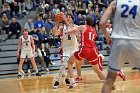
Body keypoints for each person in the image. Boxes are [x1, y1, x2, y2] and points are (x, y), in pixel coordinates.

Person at [100, 0, 140, 93]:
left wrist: (107, 36)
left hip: (118, 41)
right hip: (136, 40)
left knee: (109, 79)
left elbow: (102, 23)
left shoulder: (115, 3)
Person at [66, 16, 106, 88]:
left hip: (85, 49)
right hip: (93, 50)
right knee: (97, 70)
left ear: (86, 22)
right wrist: (78, 28)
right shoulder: (93, 29)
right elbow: (87, 34)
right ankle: (109, 82)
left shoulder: (83, 26)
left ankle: (72, 82)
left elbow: (72, 31)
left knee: (69, 62)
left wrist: (67, 30)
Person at [52, 13, 82, 89]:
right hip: (66, 49)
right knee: (65, 64)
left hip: (74, 48)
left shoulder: (75, 26)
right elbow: (55, 34)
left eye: (70, 17)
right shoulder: (62, 27)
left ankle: (68, 78)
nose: (68, 18)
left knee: (72, 65)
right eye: (67, 17)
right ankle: (57, 80)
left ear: (72, 19)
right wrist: (57, 23)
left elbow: (78, 34)